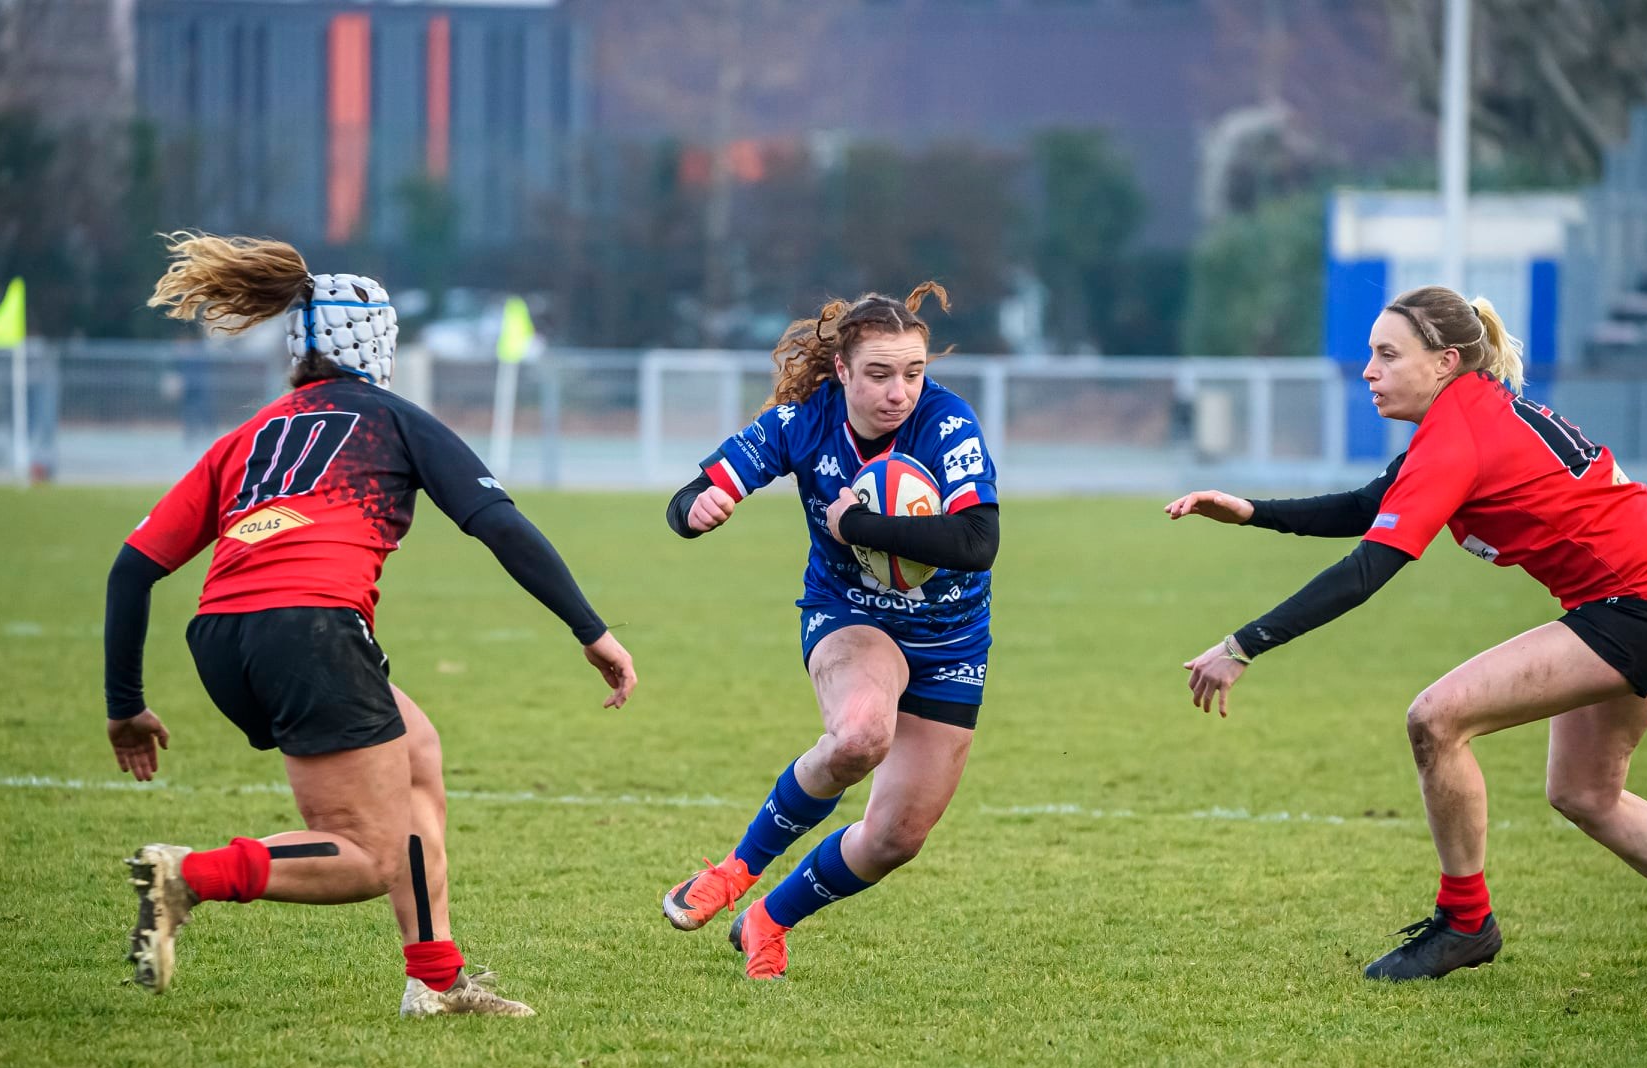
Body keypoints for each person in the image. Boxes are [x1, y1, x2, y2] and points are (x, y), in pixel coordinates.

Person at [106, 231, 636, 1016]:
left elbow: (133, 569)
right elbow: (500, 524)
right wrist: (591, 630)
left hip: (222, 637)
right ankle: (188, 877)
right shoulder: (393, 418)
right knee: (365, 855)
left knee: (417, 752)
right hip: (310, 633)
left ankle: (435, 978)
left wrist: (125, 707)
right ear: (379, 342)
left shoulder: (246, 437)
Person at [1166, 285, 1647, 982]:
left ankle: (1465, 923)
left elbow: (1366, 571)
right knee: (1586, 794)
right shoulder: (1467, 412)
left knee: (1435, 720)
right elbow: (1369, 505)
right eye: (1370, 355)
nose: (1369, 370)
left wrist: (1242, 647)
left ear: (1445, 361)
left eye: (1387, 354)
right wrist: (1253, 511)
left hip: (1641, 607)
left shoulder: (1459, 434)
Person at [658, 283, 999, 979]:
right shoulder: (800, 424)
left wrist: (858, 525)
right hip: (852, 617)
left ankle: (767, 919)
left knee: (897, 837)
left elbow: (978, 541)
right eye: (878, 374)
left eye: (913, 373)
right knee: (860, 736)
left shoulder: (948, 423)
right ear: (842, 371)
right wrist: (701, 506)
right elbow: (689, 493)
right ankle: (732, 872)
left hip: (953, 639)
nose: (899, 391)